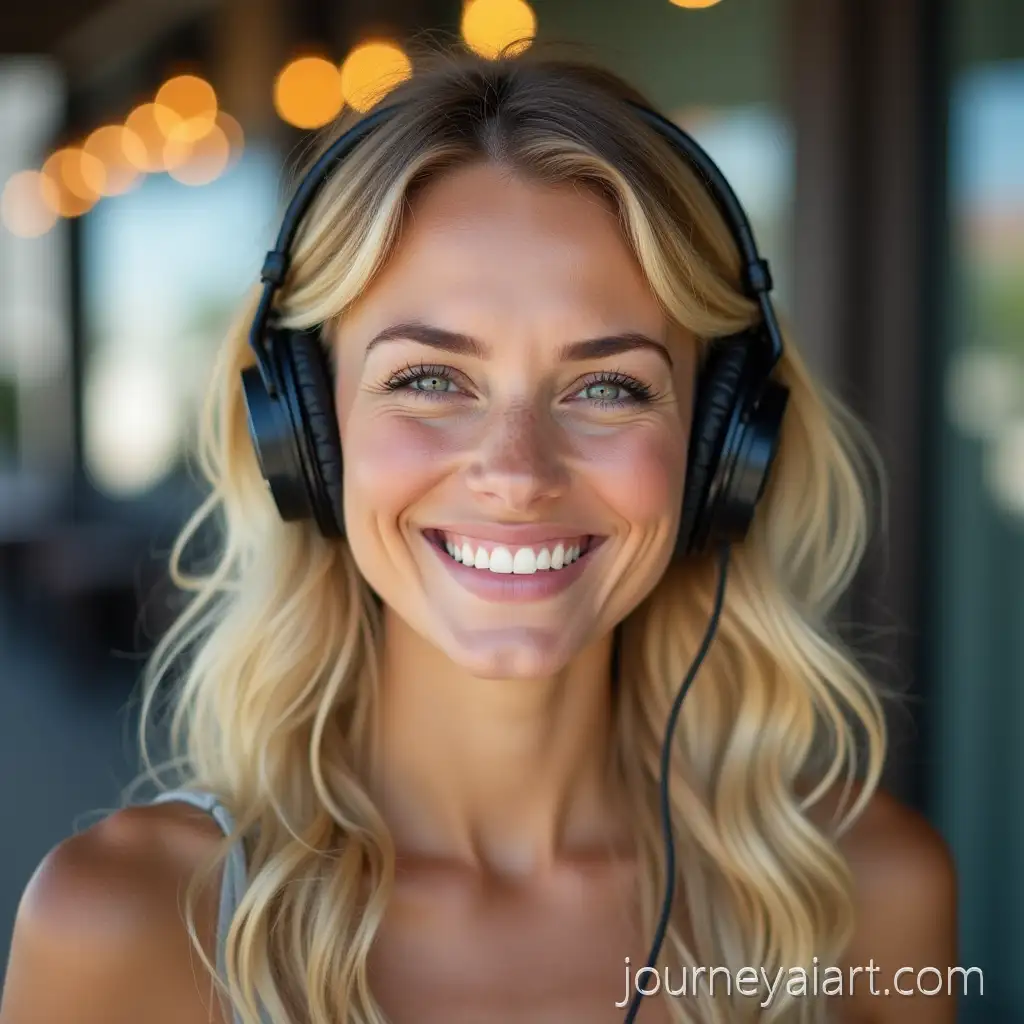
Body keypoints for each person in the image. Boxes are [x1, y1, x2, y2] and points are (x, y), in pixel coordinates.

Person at [0, 48, 956, 1024]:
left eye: (608, 386)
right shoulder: (129, 923)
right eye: (427, 378)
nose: (516, 472)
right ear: (307, 436)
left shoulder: (863, 898)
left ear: (722, 449)